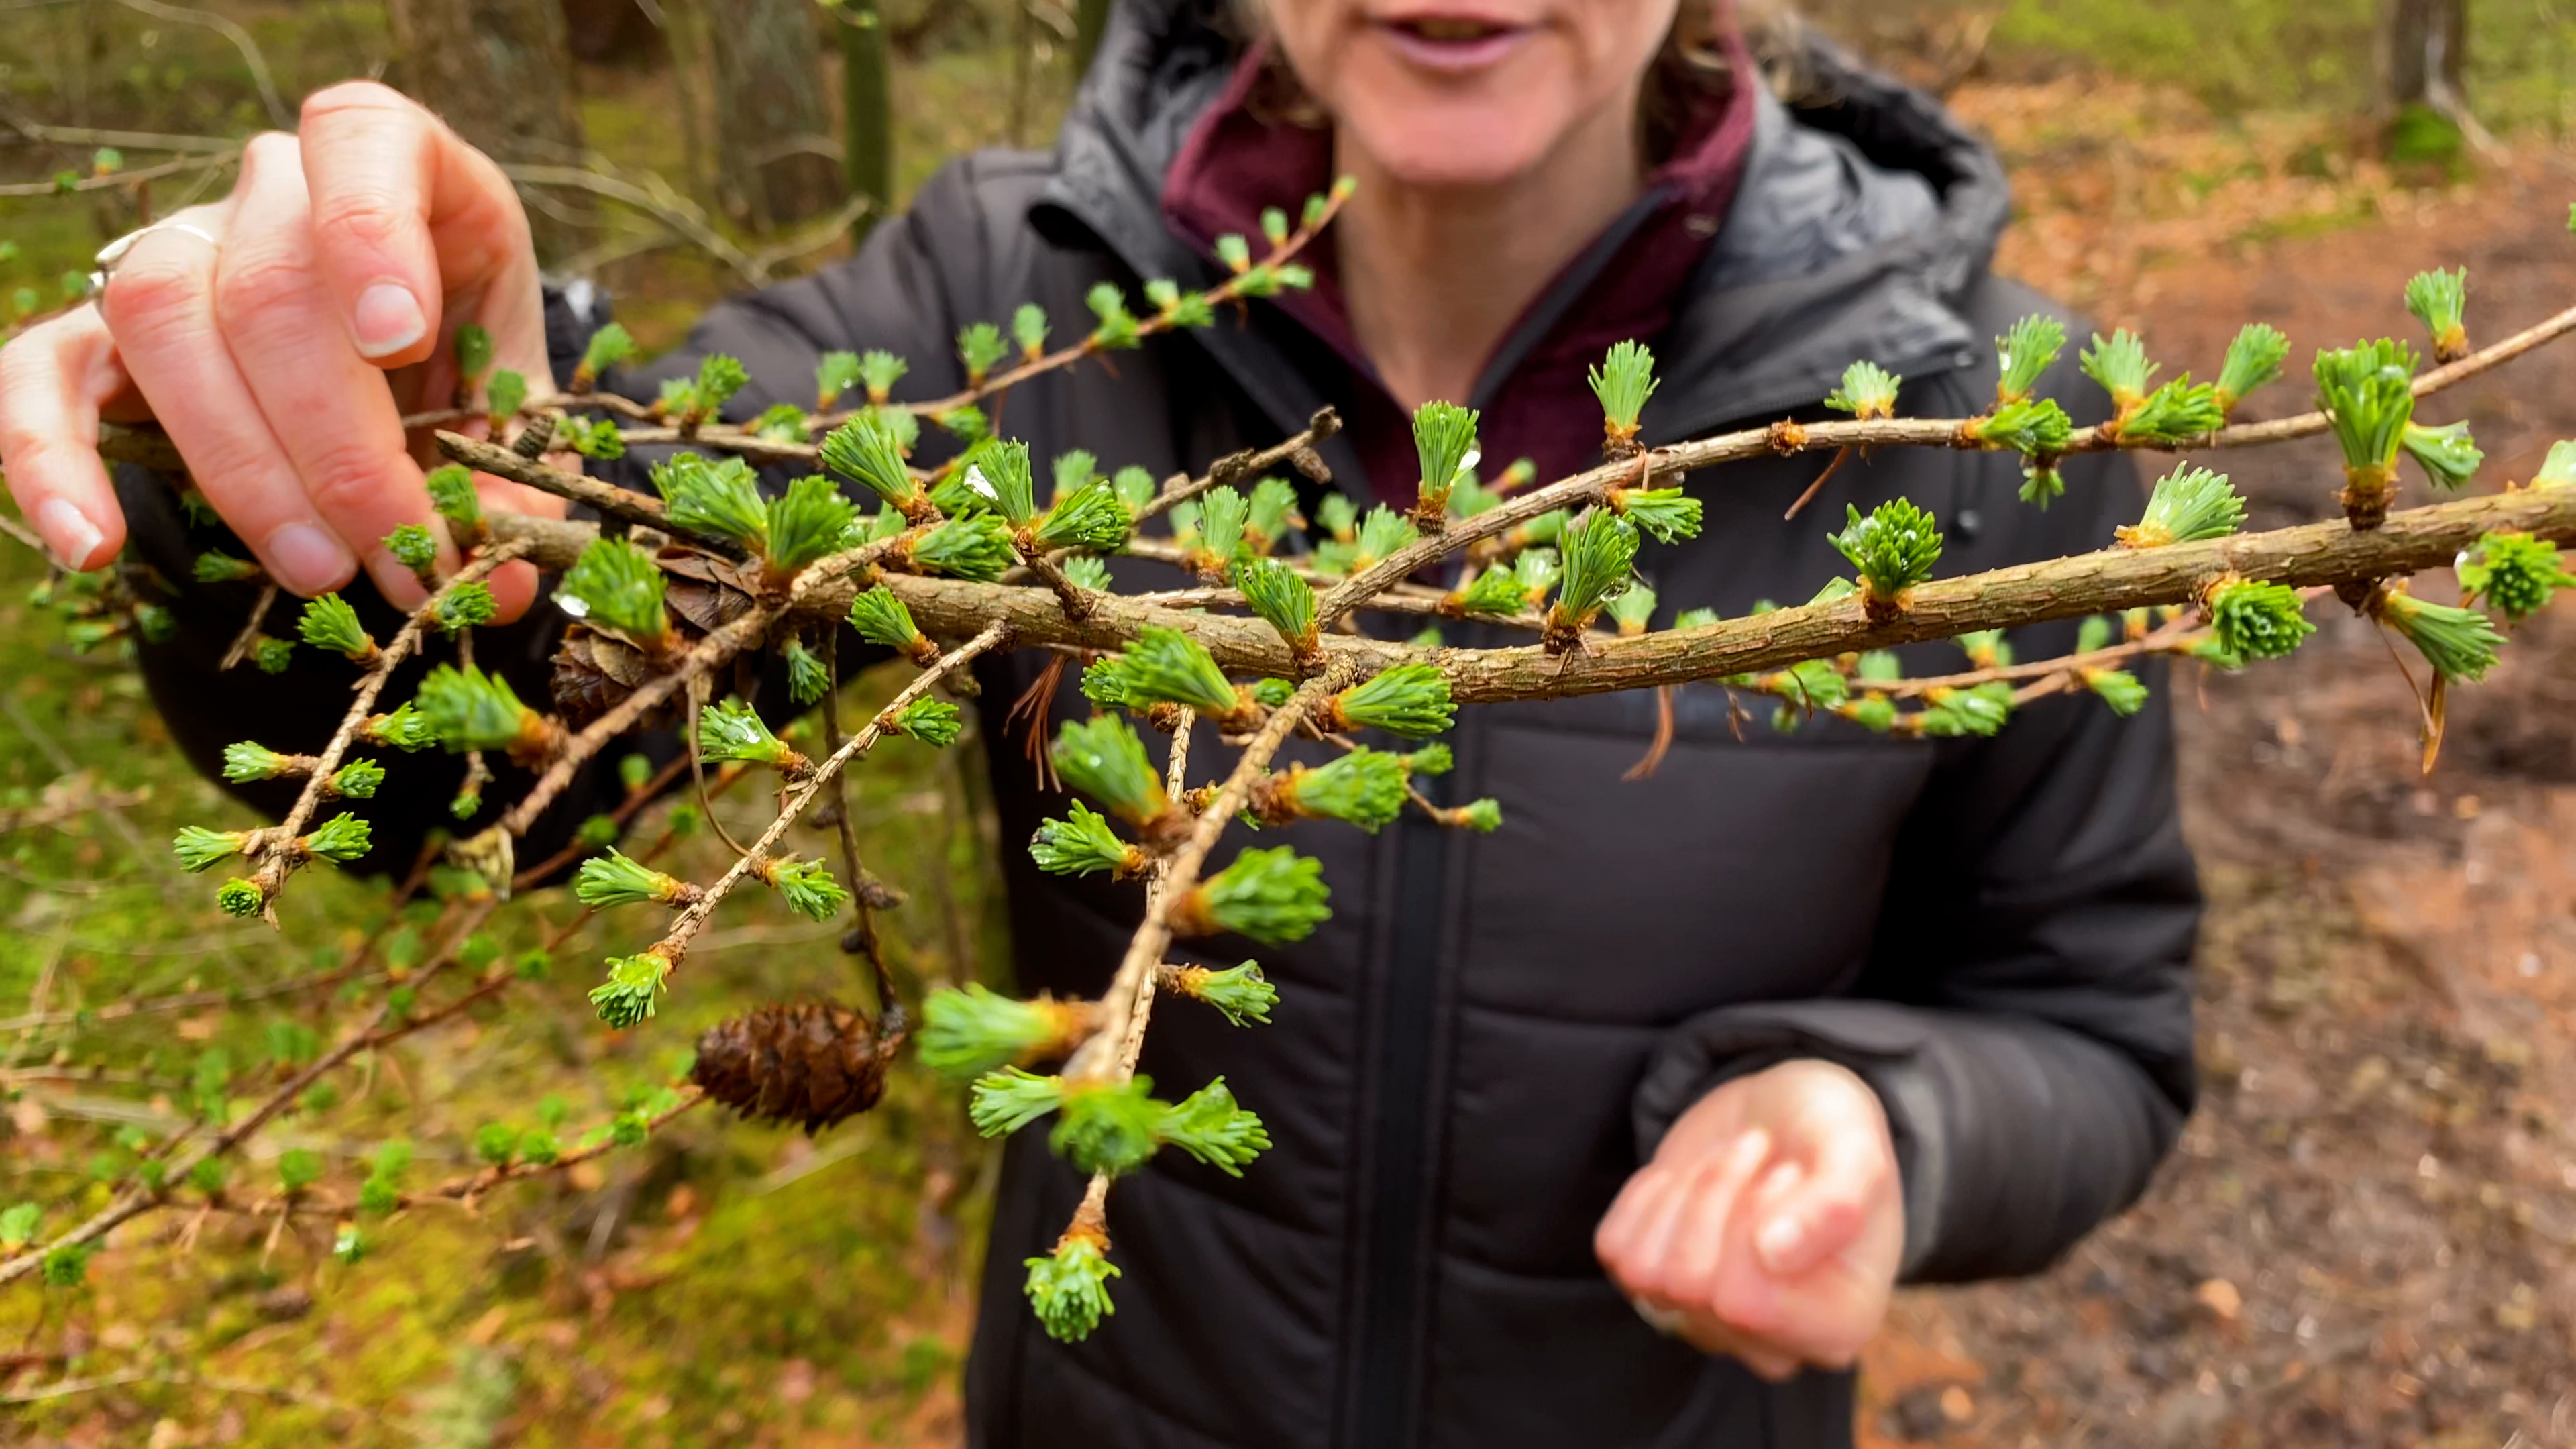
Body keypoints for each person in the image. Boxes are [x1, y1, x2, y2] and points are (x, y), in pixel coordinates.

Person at [0, 1, 2203, 1444]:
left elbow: (2093, 1028)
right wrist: (336, 459)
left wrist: (1896, 1123)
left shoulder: (1988, 420)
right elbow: (465, 768)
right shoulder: (998, 304)